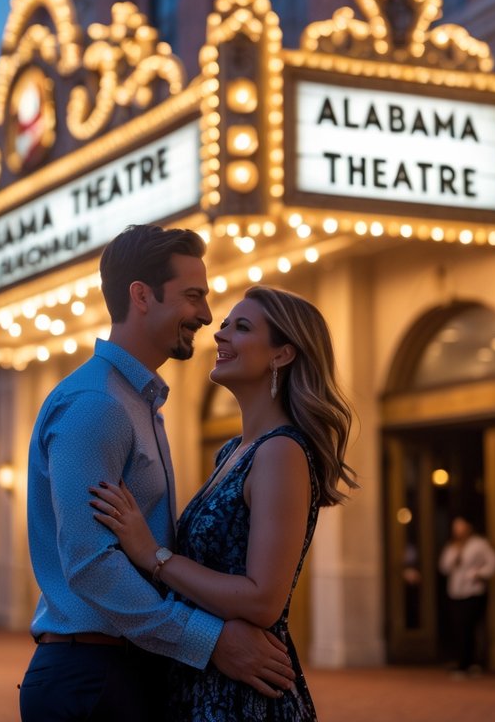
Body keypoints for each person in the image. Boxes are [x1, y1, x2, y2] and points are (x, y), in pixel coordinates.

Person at [19, 224, 297, 722]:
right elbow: (91, 565)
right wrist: (208, 641)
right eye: (193, 296)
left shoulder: (139, 403)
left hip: (122, 668)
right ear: (142, 296)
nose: (207, 316)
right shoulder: (97, 405)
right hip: (94, 676)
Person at [91, 285, 358, 720]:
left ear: (282, 355)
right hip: (205, 677)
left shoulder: (281, 452)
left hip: (242, 696)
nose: (220, 334)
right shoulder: (233, 452)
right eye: (225, 325)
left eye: (243, 327)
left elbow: (262, 601)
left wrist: (152, 554)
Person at [438, 515, 495, 676]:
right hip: (456, 591)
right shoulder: (452, 547)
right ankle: (462, 661)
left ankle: (470, 662)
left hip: (473, 591)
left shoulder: (479, 544)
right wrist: (455, 556)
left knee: (468, 627)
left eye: (461, 527)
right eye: (455, 528)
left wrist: (479, 574)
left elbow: (493, 562)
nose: (458, 531)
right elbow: (444, 567)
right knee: (458, 627)